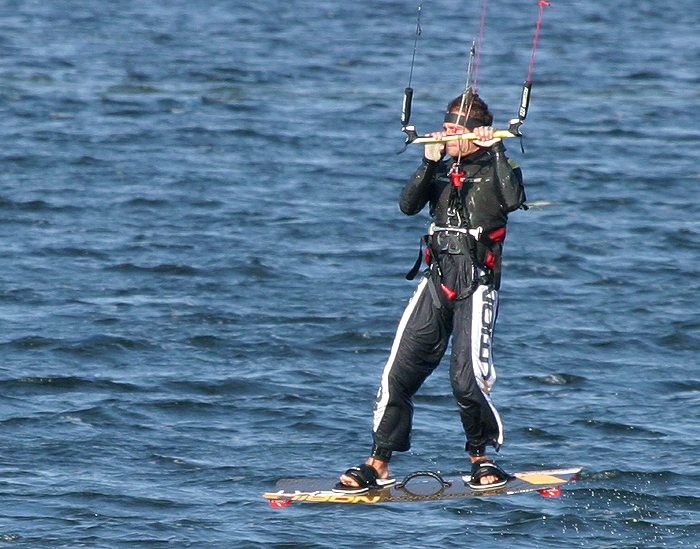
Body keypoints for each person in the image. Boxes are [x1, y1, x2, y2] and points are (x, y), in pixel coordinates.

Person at [335, 90, 526, 493]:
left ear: (475, 134)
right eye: (444, 126)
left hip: (476, 280)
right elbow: (407, 206)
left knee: (466, 377)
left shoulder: (497, 167)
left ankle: (481, 456)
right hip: (436, 278)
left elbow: (511, 201)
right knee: (398, 371)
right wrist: (428, 163)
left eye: (453, 130)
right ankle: (378, 461)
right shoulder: (438, 167)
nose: (443, 134)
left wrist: (494, 152)